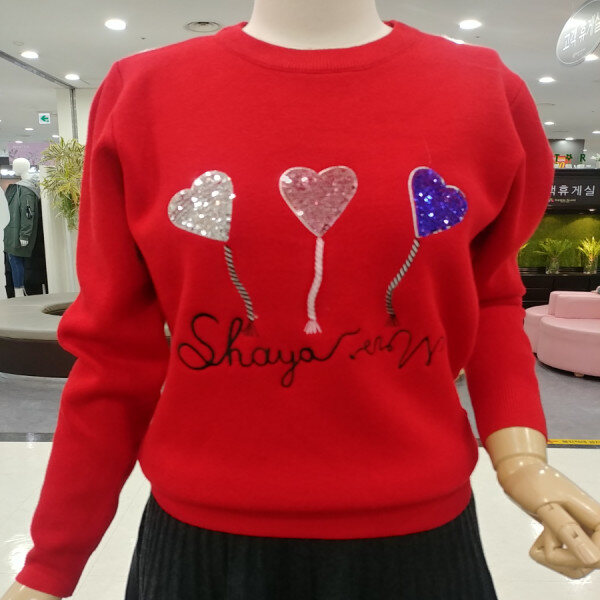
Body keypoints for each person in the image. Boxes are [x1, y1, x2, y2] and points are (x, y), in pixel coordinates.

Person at [4, 1, 600, 599]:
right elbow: (113, 352)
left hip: (420, 547)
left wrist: (522, 459)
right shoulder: (143, 92)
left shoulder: (486, 92)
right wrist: (51, 564)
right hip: (201, 549)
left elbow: (491, 300)